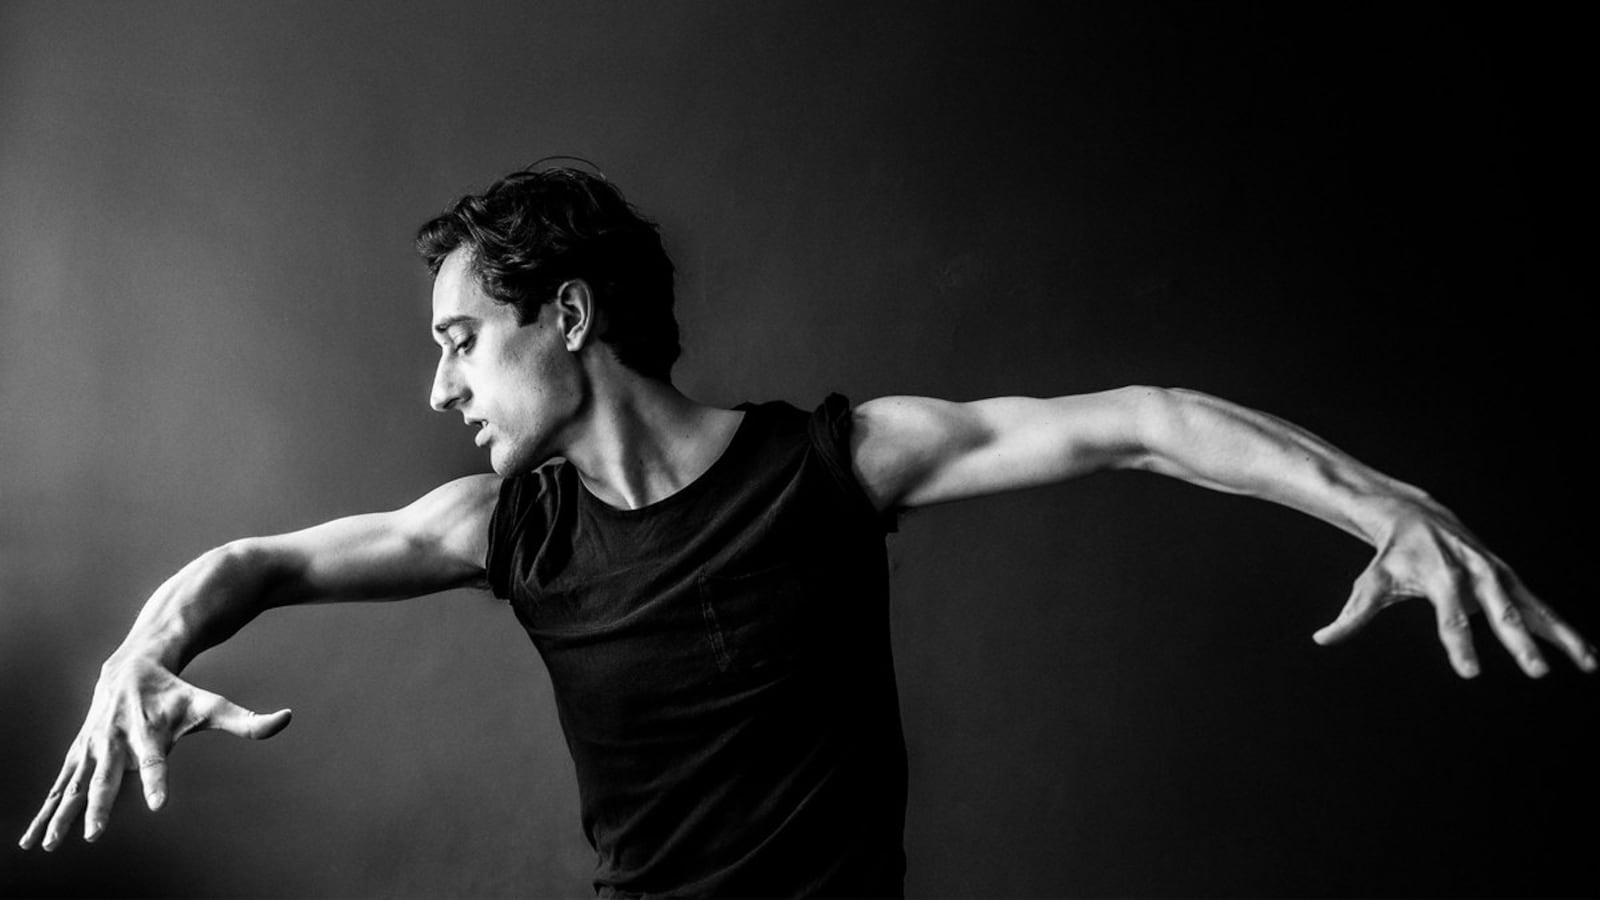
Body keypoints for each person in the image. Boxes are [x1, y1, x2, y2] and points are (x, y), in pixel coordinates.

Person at [19, 165, 1595, 897]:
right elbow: (258, 564)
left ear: (566, 316)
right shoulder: (505, 529)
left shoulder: (837, 467)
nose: (436, 385)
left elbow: (1145, 419)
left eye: (455, 337)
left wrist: (1389, 504)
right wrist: (138, 650)